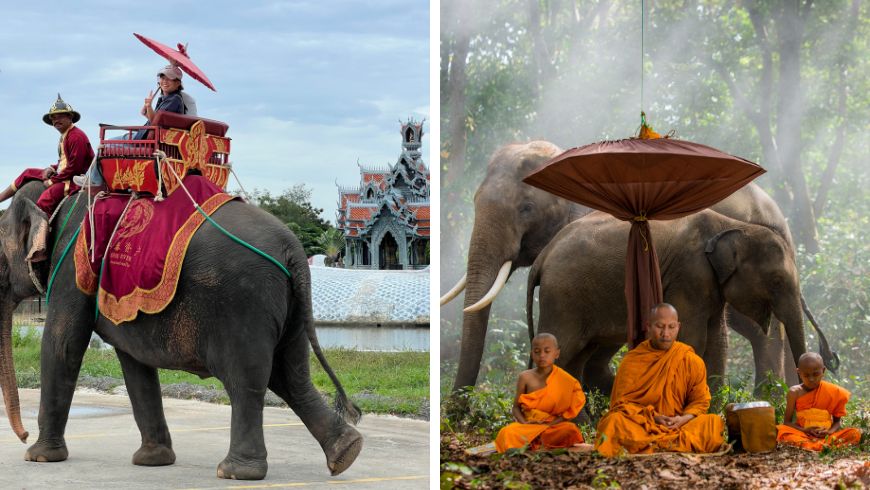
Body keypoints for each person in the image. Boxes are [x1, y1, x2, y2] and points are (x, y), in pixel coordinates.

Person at [594, 303, 726, 456]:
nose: (666, 333)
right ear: (649, 327)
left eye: (671, 327)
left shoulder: (690, 360)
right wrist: (654, 417)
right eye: (660, 326)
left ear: (678, 327)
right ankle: (673, 445)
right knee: (613, 421)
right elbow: (621, 404)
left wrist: (682, 419)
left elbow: (699, 401)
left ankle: (651, 445)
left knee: (713, 422)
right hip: (643, 424)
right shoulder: (633, 360)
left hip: (679, 426)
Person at [77, 65, 194, 188]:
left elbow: (156, 123)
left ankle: (94, 180)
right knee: (112, 141)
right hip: (144, 136)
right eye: (162, 78)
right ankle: (94, 177)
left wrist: (149, 107)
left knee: (103, 147)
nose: (164, 82)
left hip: (147, 141)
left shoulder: (173, 99)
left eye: (169, 79)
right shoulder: (168, 98)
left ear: (178, 83)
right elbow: (158, 121)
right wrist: (147, 113)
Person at [0, 94, 93, 216]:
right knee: (28, 172)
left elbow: (74, 168)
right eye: (53, 118)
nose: (56, 121)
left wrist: (51, 181)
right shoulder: (65, 135)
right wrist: (52, 168)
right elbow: (63, 163)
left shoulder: (76, 136)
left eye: (60, 117)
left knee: (44, 202)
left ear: (70, 117)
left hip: (74, 180)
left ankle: (44, 233)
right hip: (63, 174)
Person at [494, 333, 586, 453]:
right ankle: (534, 443)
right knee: (506, 432)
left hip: (552, 426)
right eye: (537, 351)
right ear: (532, 354)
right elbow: (516, 408)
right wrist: (525, 424)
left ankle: (528, 444)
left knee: (570, 429)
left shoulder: (567, 380)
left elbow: (568, 414)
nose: (542, 355)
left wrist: (548, 426)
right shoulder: (525, 377)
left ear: (556, 354)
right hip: (528, 426)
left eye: (547, 351)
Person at [775, 352, 861, 451]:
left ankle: (815, 446)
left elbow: (837, 422)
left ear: (823, 371)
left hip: (826, 436)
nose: (811, 379)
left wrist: (829, 432)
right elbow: (787, 422)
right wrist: (804, 430)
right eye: (806, 375)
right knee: (781, 432)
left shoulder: (833, 391)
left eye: (816, 374)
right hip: (803, 435)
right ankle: (824, 447)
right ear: (799, 373)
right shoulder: (794, 392)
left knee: (854, 433)